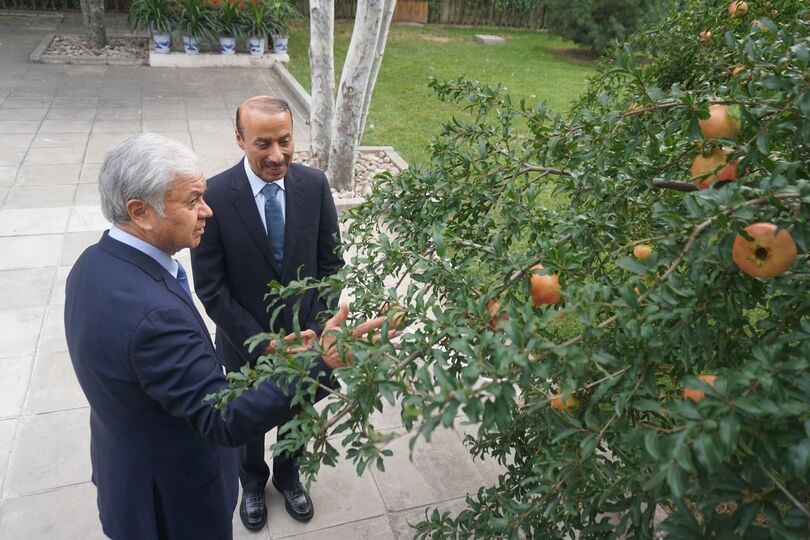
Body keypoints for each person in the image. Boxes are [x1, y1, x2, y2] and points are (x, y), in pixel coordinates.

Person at [64, 133, 384, 540]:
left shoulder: (93, 261)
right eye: (192, 200)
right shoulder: (155, 317)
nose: (207, 211)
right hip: (174, 503)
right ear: (140, 211)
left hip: (128, 472)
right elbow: (223, 418)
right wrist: (321, 361)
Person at [190, 96, 343, 530]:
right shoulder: (214, 196)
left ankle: (289, 476)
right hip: (243, 345)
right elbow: (210, 286)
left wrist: (315, 331)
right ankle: (252, 482)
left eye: (285, 141)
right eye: (263, 144)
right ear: (239, 140)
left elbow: (331, 267)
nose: (277, 155)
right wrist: (262, 341)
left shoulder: (314, 186)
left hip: (308, 343)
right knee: (248, 425)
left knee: (298, 413)